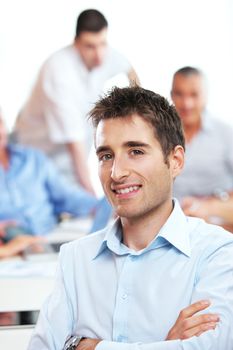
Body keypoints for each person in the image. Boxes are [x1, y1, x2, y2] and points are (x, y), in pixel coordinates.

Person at [28, 86, 233, 350]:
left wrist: (89, 346)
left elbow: (211, 346)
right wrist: (165, 345)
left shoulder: (217, 252)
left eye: (135, 151)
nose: (116, 172)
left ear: (175, 161)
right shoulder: (75, 259)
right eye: (106, 155)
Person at [14, 9, 139, 193]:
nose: (98, 55)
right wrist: (93, 196)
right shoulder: (59, 72)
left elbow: (129, 70)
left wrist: (137, 113)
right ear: (76, 42)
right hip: (31, 158)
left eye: (102, 44)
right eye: (90, 46)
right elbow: (75, 145)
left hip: (68, 160)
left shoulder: (104, 52)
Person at [0, 116, 111, 237]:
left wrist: (102, 206)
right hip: (10, 248)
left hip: (49, 237)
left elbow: (67, 195)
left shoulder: (33, 158)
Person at [171, 66, 233, 228]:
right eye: (179, 94)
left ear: (205, 96)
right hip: (171, 224)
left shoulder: (226, 134)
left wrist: (209, 207)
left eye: (194, 94)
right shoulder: (158, 135)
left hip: (218, 223)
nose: (186, 103)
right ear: (171, 95)